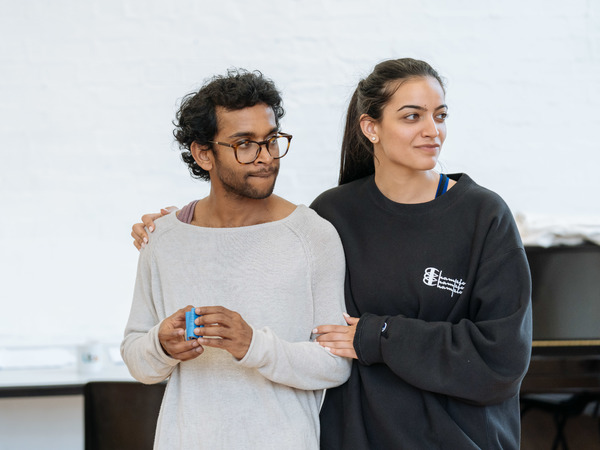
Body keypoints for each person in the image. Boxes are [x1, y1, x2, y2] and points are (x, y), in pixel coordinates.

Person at [132, 59, 532, 449]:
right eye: (413, 116)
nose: (433, 131)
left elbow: (502, 358)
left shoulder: (482, 216)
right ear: (370, 127)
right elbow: (253, 228)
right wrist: (179, 226)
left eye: (440, 116)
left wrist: (380, 335)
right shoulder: (335, 213)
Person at [121, 69, 351, 450]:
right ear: (203, 153)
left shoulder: (313, 235)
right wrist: (160, 345)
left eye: (271, 140)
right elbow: (136, 359)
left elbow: (335, 364)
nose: (265, 158)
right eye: (244, 143)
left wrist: (252, 346)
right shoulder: (163, 239)